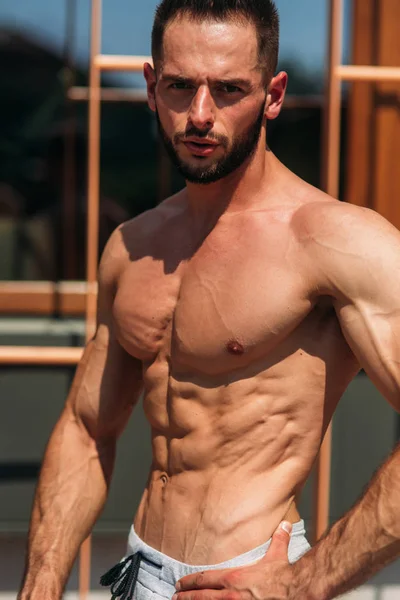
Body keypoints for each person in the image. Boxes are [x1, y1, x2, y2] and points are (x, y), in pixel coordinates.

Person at [18, 1, 400, 599]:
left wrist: (304, 584)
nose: (200, 115)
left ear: (273, 96)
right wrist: (41, 582)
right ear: (151, 87)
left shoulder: (331, 240)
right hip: (137, 575)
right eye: (179, 87)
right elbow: (88, 426)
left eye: (227, 89)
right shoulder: (133, 246)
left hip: (253, 579)